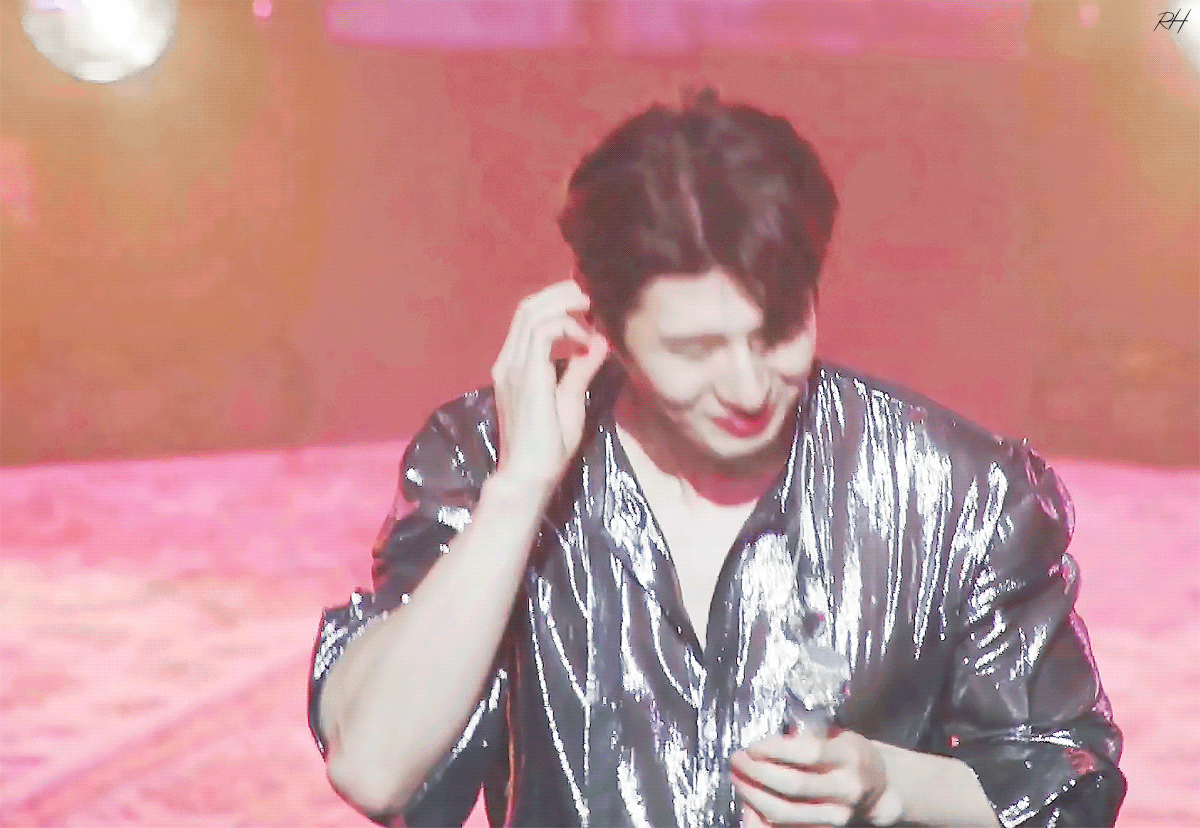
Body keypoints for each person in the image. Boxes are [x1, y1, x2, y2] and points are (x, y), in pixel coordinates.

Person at [307, 89, 1125, 828]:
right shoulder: (487, 457)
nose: (747, 386)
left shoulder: (956, 493)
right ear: (601, 324)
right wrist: (520, 490)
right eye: (694, 349)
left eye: (778, 332)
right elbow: (376, 769)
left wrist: (887, 788)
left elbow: (1061, 782)